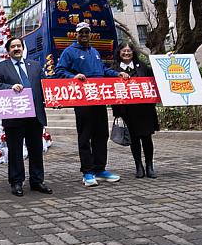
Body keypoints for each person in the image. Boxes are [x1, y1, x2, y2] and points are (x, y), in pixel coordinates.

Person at [57, 22, 130, 187]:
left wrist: (118, 73)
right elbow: (60, 71)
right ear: (75, 34)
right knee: (85, 136)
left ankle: (100, 169)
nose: (84, 35)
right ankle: (87, 172)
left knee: (102, 135)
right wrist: (73, 77)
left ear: (90, 35)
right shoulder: (69, 52)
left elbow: (103, 71)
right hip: (83, 100)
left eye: (87, 32)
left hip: (99, 99)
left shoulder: (94, 51)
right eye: (81, 32)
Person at [0, 37, 52, 197]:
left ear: (23, 48)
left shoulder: (36, 66)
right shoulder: (1, 67)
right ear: (8, 50)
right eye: (13, 47)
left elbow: (45, 85)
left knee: (36, 150)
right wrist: (10, 87)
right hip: (14, 116)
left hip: (35, 115)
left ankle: (37, 181)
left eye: (19, 46)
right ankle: (16, 182)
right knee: (15, 151)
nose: (16, 48)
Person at [111, 41, 159, 179]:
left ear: (133, 52)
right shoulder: (113, 69)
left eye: (129, 51)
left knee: (147, 138)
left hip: (145, 110)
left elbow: (157, 76)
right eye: (123, 51)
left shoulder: (142, 66)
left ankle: (150, 166)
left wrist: (166, 59)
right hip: (126, 111)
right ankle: (139, 166)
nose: (126, 53)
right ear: (119, 53)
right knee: (134, 139)